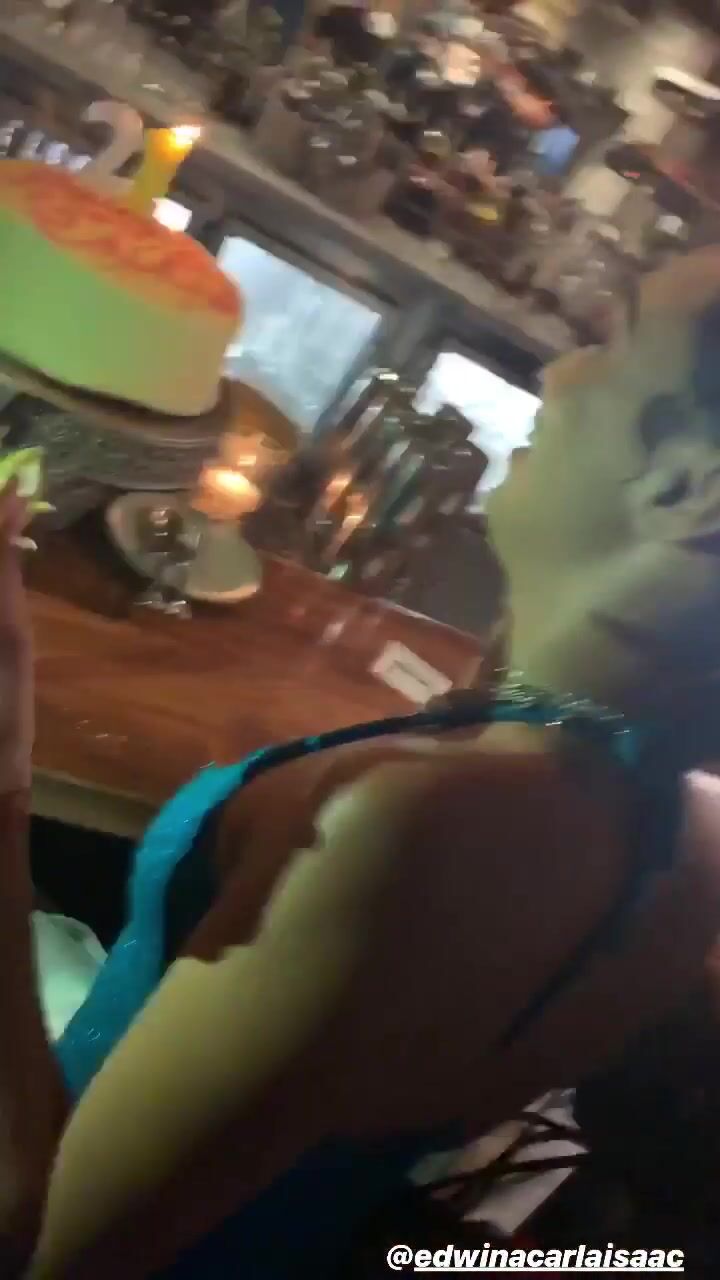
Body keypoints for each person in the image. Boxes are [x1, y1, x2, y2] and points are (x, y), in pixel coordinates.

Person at [6, 248, 720, 1276]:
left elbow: (43, 1245)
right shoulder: (688, 847)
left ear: (688, 487)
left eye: (611, 343)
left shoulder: (420, 832)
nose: (556, 372)